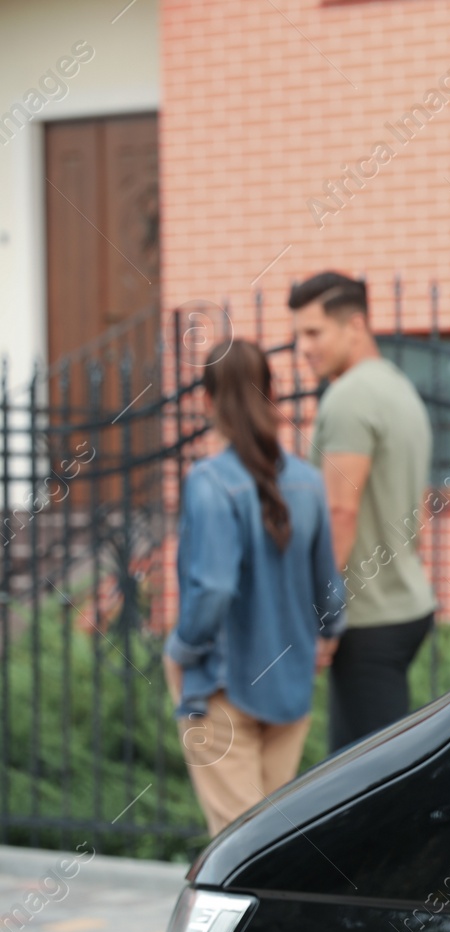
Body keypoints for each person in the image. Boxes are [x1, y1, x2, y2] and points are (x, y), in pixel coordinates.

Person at [163, 340, 346, 836]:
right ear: (272, 394)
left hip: (223, 687)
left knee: (238, 849)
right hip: (290, 687)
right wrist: (327, 635)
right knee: (270, 844)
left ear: (205, 401)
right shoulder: (308, 482)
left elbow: (214, 588)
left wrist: (178, 650)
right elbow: (330, 587)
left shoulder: (208, 482)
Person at [289, 271, 438, 751]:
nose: (303, 348)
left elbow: (340, 513)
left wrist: (316, 615)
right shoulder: (398, 387)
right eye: (298, 335)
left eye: (314, 333)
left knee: (377, 781)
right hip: (403, 604)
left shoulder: (350, 398)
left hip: (366, 619)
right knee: (354, 770)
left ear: (355, 325)